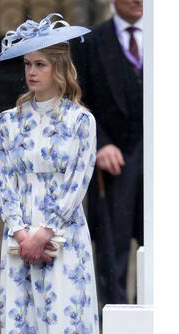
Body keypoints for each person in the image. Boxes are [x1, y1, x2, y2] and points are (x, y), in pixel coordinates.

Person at [0, 13, 102, 334]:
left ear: (59, 67)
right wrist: (21, 232)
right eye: (27, 64)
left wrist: (46, 232)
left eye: (40, 64)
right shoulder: (6, 123)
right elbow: (5, 182)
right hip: (18, 246)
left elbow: (78, 182)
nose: (31, 72)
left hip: (66, 242)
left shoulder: (81, 121)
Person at [73, 0, 143, 304]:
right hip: (113, 163)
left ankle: (155, 318)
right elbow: (78, 99)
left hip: (160, 160)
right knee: (111, 248)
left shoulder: (169, 36)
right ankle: (115, 322)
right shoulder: (90, 42)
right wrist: (99, 143)